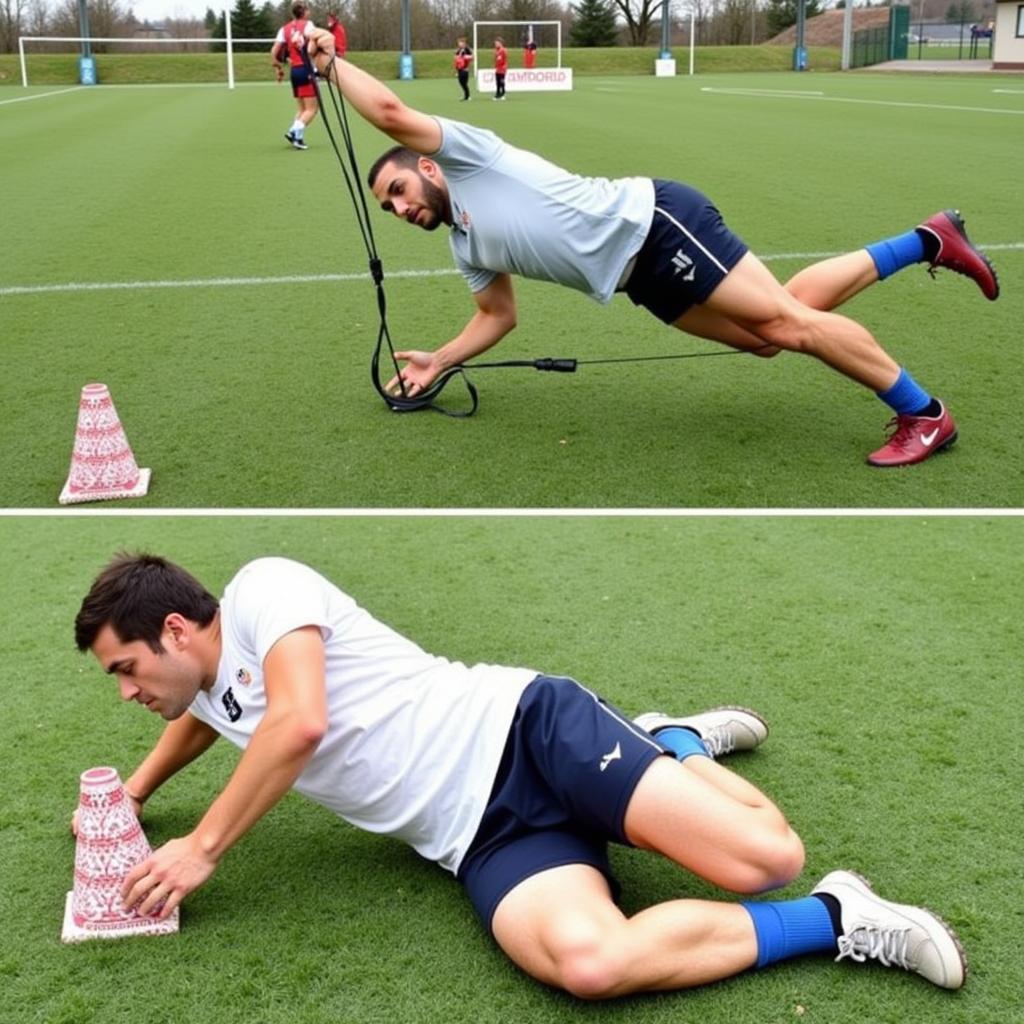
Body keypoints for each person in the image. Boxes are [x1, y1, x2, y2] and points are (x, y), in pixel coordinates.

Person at [73, 552, 967, 998]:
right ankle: (840, 915)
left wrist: (203, 845)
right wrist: (134, 796)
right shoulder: (202, 688)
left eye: (124, 668)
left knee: (766, 857)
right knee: (588, 964)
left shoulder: (266, 592)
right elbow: (206, 717)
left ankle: (676, 746)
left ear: (179, 633)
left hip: (527, 732)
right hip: (481, 838)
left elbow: (299, 720)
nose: (126, 692)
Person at [305, 35, 999, 468]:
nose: (398, 209)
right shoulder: (466, 242)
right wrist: (440, 358)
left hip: (657, 223)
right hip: (640, 278)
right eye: (387, 208)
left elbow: (393, 115)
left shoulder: (468, 158)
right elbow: (497, 317)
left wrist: (334, 67)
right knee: (770, 334)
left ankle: (925, 413)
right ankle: (927, 239)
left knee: (788, 325)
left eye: (397, 188)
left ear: (425, 169)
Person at [271, 2, 319, 151]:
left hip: (294, 72)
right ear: (303, 11)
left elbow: (273, 52)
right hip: (306, 70)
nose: (309, 12)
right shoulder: (308, 25)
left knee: (302, 108)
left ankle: (297, 136)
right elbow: (315, 43)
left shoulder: (284, 29)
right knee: (312, 109)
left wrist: (279, 68)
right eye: (308, 9)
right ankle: (293, 132)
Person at [454, 36, 473, 102]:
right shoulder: (458, 50)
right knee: (461, 82)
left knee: (464, 82)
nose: (459, 44)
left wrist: (465, 57)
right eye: (459, 43)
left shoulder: (467, 49)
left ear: (464, 43)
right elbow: (456, 59)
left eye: (461, 42)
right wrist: (456, 69)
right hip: (459, 68)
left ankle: (467, 96)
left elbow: (471, 57)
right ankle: (466, 95)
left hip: (465, 68)